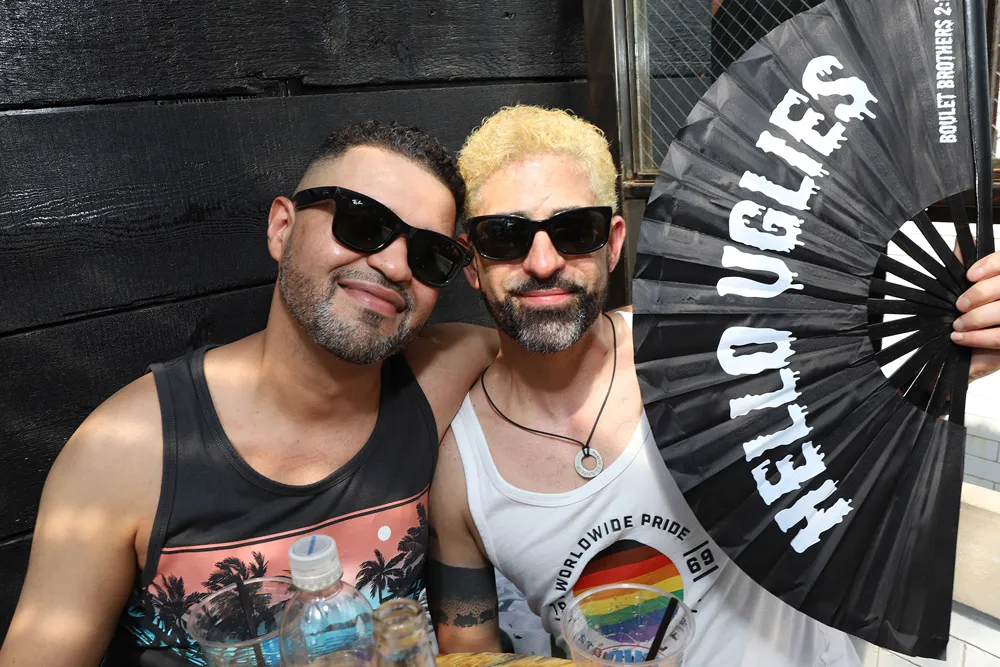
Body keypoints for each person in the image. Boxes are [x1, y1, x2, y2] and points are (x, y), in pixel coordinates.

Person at [426, 105, 1000, 665]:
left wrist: (949, 351)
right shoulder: (461, 474)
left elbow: (854, 427)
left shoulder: (706, 343)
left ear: (614, 242)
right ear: (471, 262)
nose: (543, 261)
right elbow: (468, 654)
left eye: (575, 230)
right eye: (504, 237)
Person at [0, 121, 498, 667]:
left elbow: (552, 337)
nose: (395, 266)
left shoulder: (440, 377)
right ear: (282, 228)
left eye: (429, 254)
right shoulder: (124, 451)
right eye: (362, 223)